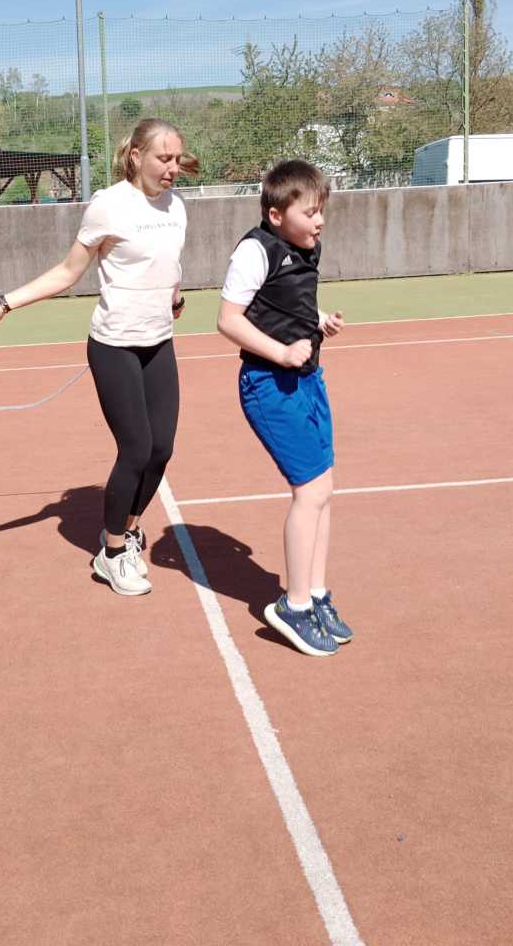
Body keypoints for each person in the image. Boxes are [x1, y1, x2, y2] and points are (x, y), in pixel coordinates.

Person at [0, 118, 198, 596]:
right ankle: (111, 554)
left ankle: (128, 529)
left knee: (162, 449)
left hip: (159, 341)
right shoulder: (108, 206)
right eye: (164, 158)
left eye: (177, 159)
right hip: (114, 346)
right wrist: (6, 303)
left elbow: (170, 264)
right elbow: (67, 272)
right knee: (136, 448)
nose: (172, 168)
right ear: (136, 156)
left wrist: (174, 298)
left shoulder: (177, 206)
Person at [216, 159, 353, 656]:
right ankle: (292, 607)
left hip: (307, 379)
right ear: (277, 215)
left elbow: (285, 304)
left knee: (324, 489)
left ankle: (315, 594)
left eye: (322, 211)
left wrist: (318, 321)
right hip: (269, 384)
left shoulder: (305, 249)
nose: (320, 221)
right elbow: (229, 320)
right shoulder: (256, 250)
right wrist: (280, 353)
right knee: (310, 491)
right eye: (310, 212)